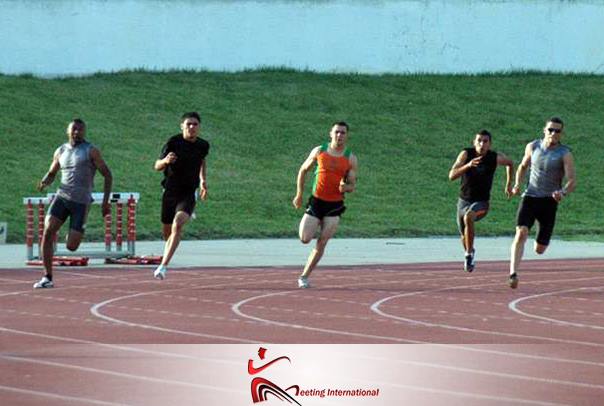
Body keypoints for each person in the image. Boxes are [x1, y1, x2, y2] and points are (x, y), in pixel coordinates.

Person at [34, 118, 113, 288]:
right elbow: (52, 172)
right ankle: (47, 277)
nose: (77, 132)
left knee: (72, 246)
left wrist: (105, 202)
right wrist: (45, 180)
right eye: (74, 129)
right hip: (62, 197)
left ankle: (73, 230)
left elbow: (108, 175)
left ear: (84, 132)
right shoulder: (60, 150)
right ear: (68, 131)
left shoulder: (91, 151)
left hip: (81, 202)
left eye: (80, 130)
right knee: (47, 231)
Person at [508, 117, 576, 288]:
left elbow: (572, 180)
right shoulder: (533, 146)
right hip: (530, 197)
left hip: (549, 201)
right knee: (521, 232)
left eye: (557, 131)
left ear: (562, 134)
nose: (553, 133)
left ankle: (539, 233)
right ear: (544, 130)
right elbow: (523, 166)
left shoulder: (565, 153)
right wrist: (517, 184)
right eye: (550, 130)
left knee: (540, 250)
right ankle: (513, 274)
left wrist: (563, 192)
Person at [292, 121, 358, 288]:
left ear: (347, 135)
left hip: (334, 206)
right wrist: (299, 194)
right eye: (337, 132)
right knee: (305, 238)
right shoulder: (319, 150)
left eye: (343, 133)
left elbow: (352, 185)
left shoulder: (350, 158)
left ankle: (304, 276)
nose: (339, 135)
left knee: (322, 242)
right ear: (331, 133)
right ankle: (314, 222)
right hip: (316, 201)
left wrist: (346, 187)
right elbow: (303, 170)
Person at [153, 112, 209, 280]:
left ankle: (163, 266)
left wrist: (203, 180)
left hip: (188, 193)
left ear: (199, 127)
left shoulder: (203, 145)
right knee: (167, 233)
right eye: (188, 124)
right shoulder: (173, 142)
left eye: (195, 124)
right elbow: (156, 166)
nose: (192, 127)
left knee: (178, 224)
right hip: (169, 192)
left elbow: (202, 161)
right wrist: (166, 161)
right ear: (182, 126)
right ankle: (166, 256)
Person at [449, 130, 514, 272]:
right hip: (463, 201)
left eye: (485, 141)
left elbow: (510, 163)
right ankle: (470, 252)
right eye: (479, 141)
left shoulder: (493, 157)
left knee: (469, 216)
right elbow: (451, 175)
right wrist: (468, 165)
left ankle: (468, 254)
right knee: (463, 235)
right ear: (474, 142)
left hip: (482, 203)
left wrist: (508, 185)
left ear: (490, 144)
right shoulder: (466, 154)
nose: (482, 144)